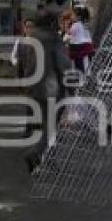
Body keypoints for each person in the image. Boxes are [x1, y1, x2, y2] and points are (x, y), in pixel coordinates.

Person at [24, 12, 70, 174]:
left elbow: (27, 63)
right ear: (51, 23)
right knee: (51, 126)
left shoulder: (32, 38)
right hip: (52, 89)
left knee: (47, 125)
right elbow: (63, 64)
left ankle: (50, 159)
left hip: (36, 89)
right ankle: (36, 153)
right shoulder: (54, 39)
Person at [64, 7, 94, 73]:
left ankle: (82, 75)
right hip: (85, 46)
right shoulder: (82, 24)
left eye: (72, 15)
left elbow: (69, 32)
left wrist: (65, 25)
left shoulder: (76, 24)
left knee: (80, 63)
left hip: (80, 46)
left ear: (78, 17)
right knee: (83, 62)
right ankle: (85, 75)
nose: (71, 17)